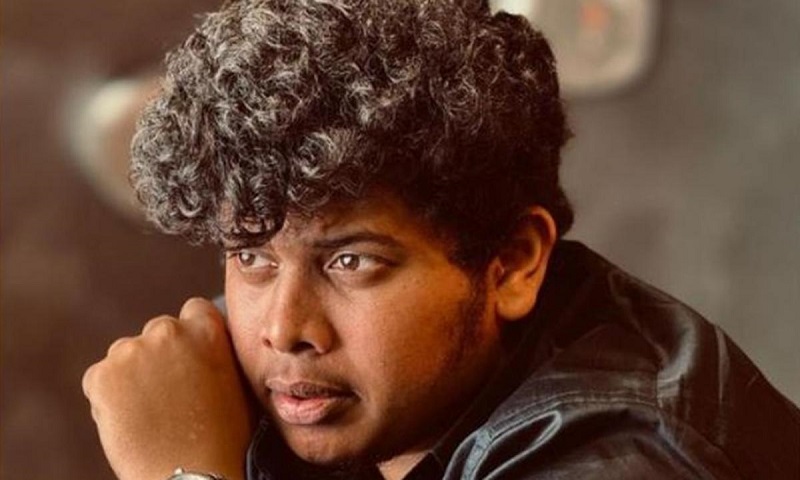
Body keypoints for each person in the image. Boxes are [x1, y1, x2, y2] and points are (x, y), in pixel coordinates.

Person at [81, 1, 800, 479]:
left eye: (351, 261)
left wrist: (184, 474)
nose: (284, 328)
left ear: (513, 263)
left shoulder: (622, 461)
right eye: (252, 256)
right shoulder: (373, 393)